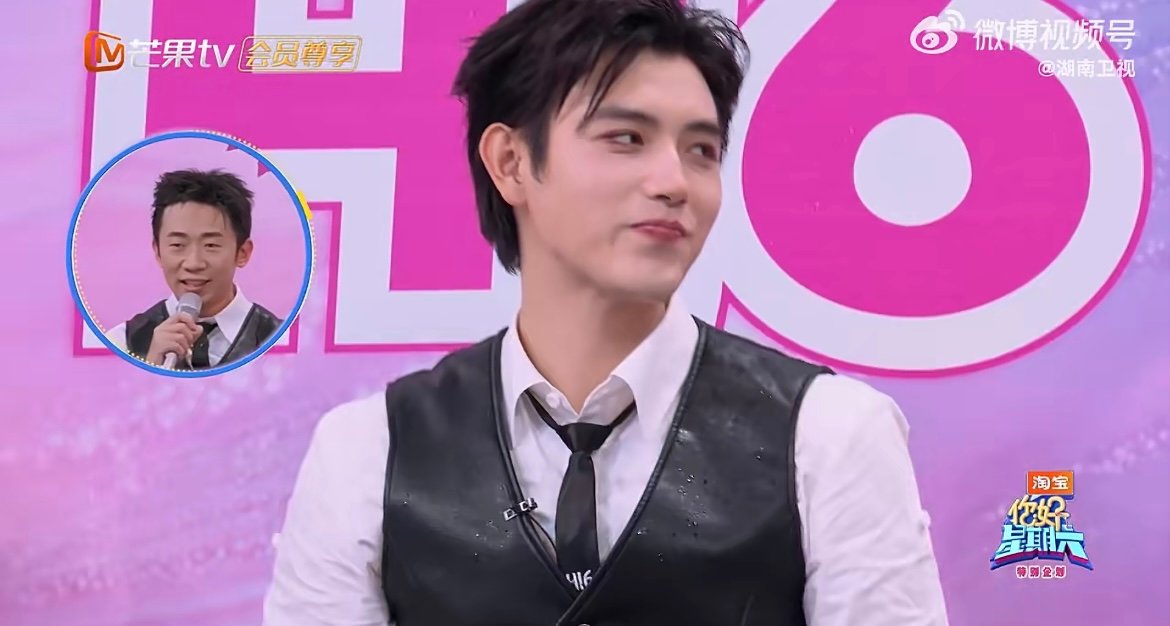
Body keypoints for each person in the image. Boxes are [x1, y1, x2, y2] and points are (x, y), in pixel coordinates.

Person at [263, 1, 949, 624]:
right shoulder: (370, 449)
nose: (674, 182)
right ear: (510, 162)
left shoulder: (828, 433)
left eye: (701, 150)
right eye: (626, 138)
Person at [105, 169, 282, 370]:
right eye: (178, 245)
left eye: (211, 245)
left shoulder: (280, 340)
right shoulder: (122, 342)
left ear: (243, 253)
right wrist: (150, 366)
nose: (193, 263)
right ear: (158, 251)